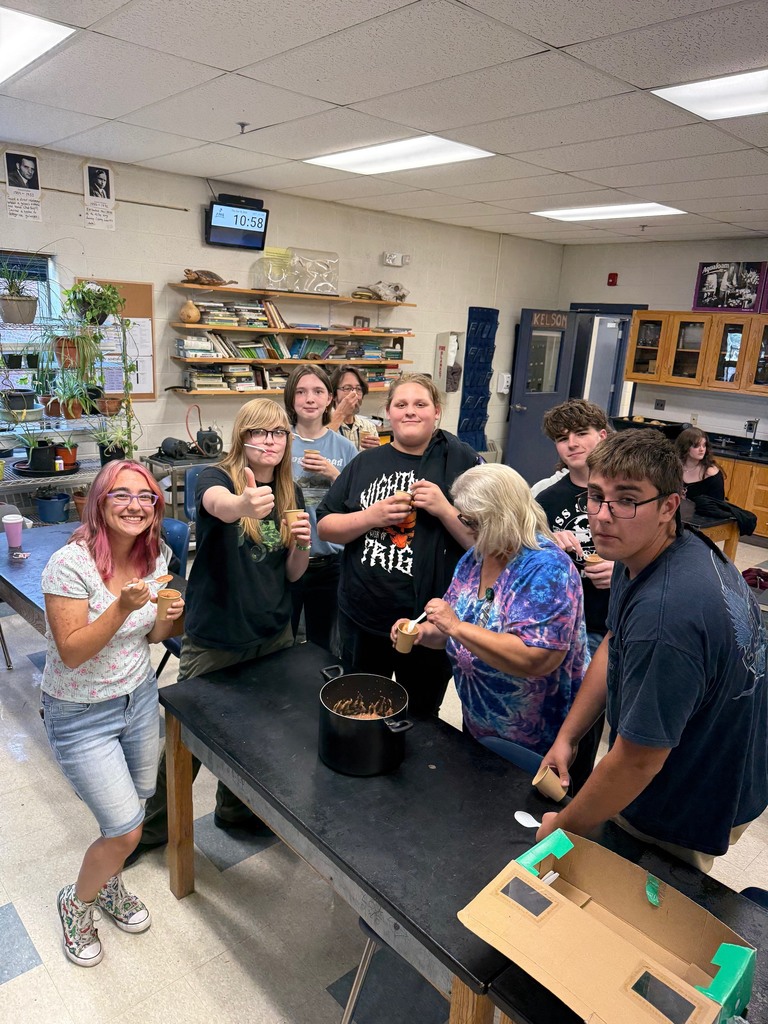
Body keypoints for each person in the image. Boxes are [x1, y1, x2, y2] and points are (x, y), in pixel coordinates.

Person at [536, 429, 768, 871]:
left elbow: (637, 762)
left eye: (627, 500)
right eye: (595, 496)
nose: (602, 516)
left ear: (668, 506)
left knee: (648, 900)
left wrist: (563, 827)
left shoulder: (666, 617)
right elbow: (613, 640)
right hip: (700, 750)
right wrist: (569, 735)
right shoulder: (653, 551)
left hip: (696, 786)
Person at [129, 400, 311, 863]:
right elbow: (219, 507)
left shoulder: (292, 493)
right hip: (217, 636)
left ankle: (235, 810)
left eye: (279, 433)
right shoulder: (216, 478)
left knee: (258, 734)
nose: (270, 441)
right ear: (242, 436)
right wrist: (244, 503)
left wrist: (303, 547)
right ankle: (151, 830)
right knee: (187, 738)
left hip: (272, 634)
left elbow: (291, 575)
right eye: (260, 432)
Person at [40, 461, 184, 967]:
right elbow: (73, 651)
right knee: (125, 828)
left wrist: (168, 617)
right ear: (99, 502)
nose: (135, 505)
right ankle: (76, 902)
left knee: (136, 808)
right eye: (121, 495)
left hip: (139, 697)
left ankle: (107, 884)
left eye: (146, 498)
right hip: (81, 713)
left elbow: (151, 638)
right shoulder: (69, 564)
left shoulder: (156, 555)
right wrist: (121, 607)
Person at [391, 464, 588, 755]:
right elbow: (451, 632)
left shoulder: (547, 568)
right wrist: (422, 632)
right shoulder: (476, 558)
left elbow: (537, 659)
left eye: (472, 521)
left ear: (501, 518)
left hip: (536, 736)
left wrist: (455, 626)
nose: (466, 528)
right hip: (482, 720)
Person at [317, 373, 480, 717]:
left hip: (430, 624)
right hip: (364, 618)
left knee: (419, 718)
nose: (410, 412)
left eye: (420, 404)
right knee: (358, 710)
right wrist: (371, 517)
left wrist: (445, 509)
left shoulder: (462, 463)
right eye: (401, 405)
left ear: (436, 411)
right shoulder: (365, 463)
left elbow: (484, 547)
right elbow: (327, 526)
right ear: (388, 413)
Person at [535, 400, 613, 788]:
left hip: (609, 626)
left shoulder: (628, 488)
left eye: (581, 434)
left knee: (585, 725)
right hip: (560, 630)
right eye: (562, 439)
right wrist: (547, 542)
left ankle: (575, 798)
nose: (572, 444)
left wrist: (622, 571)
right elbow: (523, 560)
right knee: (550, 715)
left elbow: (662, 555)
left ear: (602, 435)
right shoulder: (546, 499)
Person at [284, 364, 357, 649]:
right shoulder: (280, 442)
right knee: (283, 639)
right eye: (301, 392)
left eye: (318, 391)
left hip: (330, 564)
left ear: (330, 399)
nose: (309, 399)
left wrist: (333, 474)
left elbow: (358, 504)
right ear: (291, 399)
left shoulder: (344, 448)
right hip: (285, 558)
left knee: (323, 644)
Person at [328, 365, 381, 450]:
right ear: (333, 395)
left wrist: (375, 452)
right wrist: (341, 413)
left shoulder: (369, 427)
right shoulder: (320, 425)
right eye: (347, 388)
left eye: (358, 389)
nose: (354, 395)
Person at [675, 426, 725, 501]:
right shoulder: (673, 468)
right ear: (685, 447)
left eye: (704, 445)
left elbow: (717, 508)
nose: (702, 449)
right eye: (696, 446)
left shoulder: (712, 474)